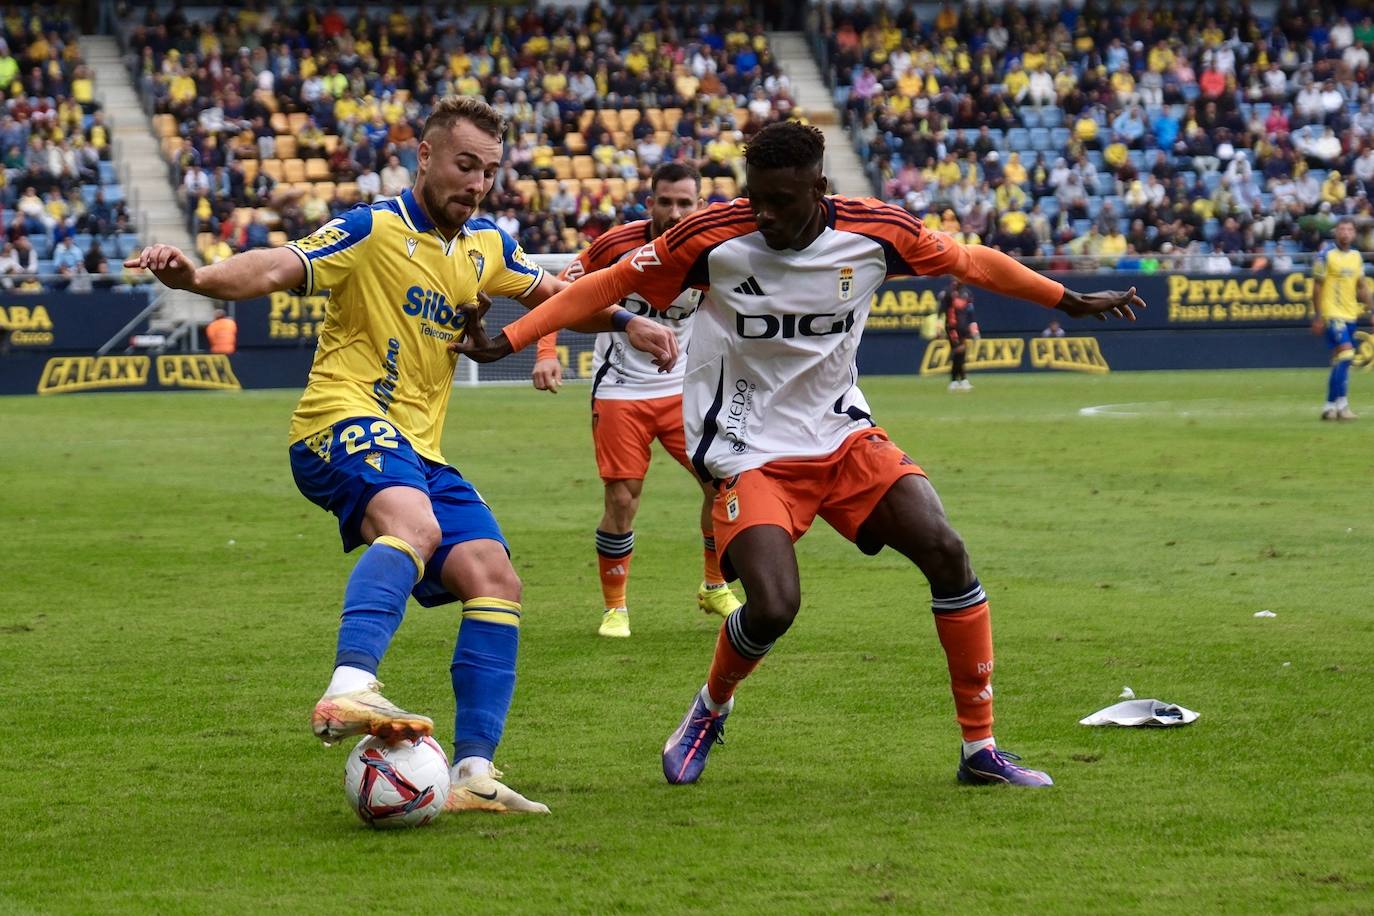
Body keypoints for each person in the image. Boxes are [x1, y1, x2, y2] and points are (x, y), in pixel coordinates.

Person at [455, 121, 1143, 790]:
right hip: (747, 448)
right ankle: (710, 710)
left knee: (945, 549)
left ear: (819, 186)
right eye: (754, 196)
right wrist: (511, 341)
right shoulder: (709, 236)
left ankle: (981, 748)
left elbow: (968, 260)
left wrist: (1067, 299)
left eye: (781, 201)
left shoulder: (875, 231)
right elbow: (601, 287)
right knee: (775, 607)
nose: (764, 214)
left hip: (843, 435)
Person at [124, 96, 677, 814]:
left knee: (494, 576)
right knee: (412, 528)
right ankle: (349, 686)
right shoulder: (372, 229)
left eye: (488, 171)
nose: (476, 183)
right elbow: (273, 268)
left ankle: (473, 773)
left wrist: (628, 321)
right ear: (425, 158)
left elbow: (559, 297)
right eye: (463, 165)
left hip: (417, 448)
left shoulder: (488, 246)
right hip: (340, 420)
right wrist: (196, 279)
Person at [532, 162, 742, 638]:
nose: (674, 212)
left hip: (686, 390)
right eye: (665, 202)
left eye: (684, 203)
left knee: (721, 483)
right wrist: (546, 351)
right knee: (623, 499)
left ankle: (714, 586)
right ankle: (616, 609)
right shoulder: (618, 243)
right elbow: (560, 290)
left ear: (700, 206)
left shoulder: (716, 250)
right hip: (621, 389)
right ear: (650, 204)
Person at [1312, 218, 1372, 421]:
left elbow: (1362, 286)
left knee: (1340, 360)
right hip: (1332, 314)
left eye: (1349, 229)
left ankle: (1329, 407)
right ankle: (1343, 405)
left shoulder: (1356, 256)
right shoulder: (1325, 255)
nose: (1345, 233)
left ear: (1354, 234)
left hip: (1350, 314)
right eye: (1342, 229)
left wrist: (1372, 310)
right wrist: (1318, 315)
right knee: (1347, 355)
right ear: (1336, 232)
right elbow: (1317, 286)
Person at [939, 280, 979, 391]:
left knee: (960, 355)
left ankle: (957, 381)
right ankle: (959, 380)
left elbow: (970, 313)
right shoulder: (948, 292)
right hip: (952, 327)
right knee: (959, 351)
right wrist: (938, 326)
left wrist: (974, 329)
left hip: (963, 327)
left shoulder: (967, 293)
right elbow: (941, 310)